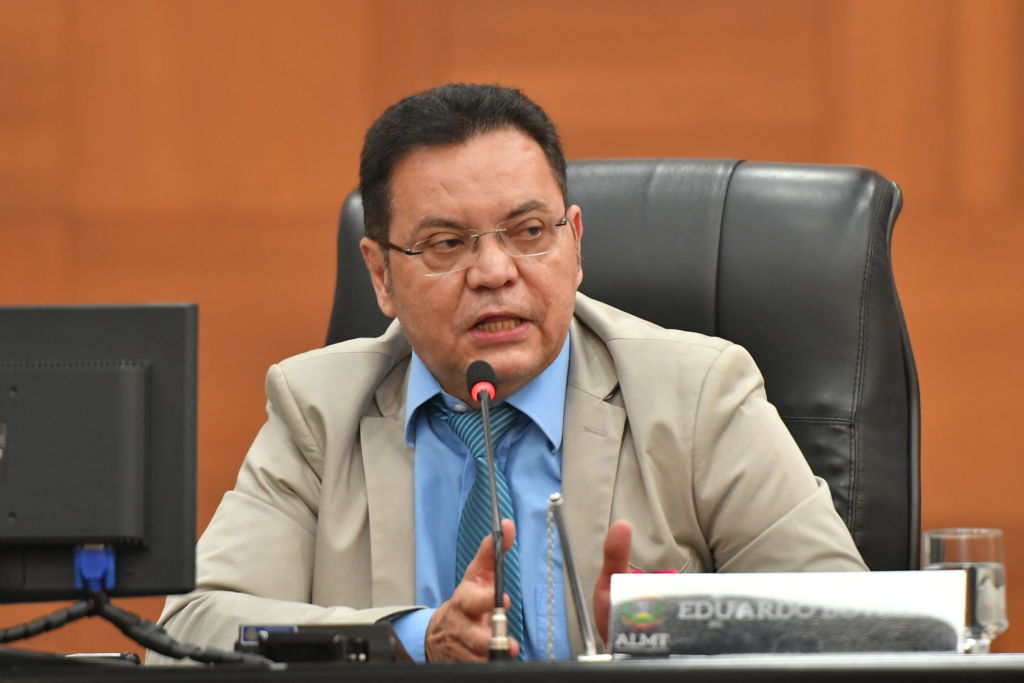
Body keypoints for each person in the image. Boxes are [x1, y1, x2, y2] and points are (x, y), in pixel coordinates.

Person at [153, 83, 866, 664]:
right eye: (446, 243)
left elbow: (849, 625)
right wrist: (413, 639)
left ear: (575, 244)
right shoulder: (317, 410)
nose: (495, 272)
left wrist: (664, 630)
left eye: (528, 233)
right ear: (381, 275)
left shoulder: (700, 395)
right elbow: (188, 634)